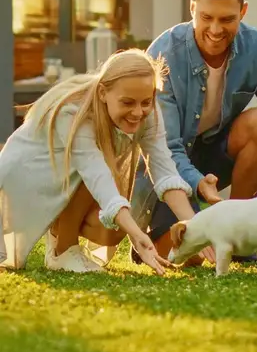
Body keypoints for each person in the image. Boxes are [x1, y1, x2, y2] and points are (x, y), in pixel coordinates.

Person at [132, 0, 257, 265]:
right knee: (190, 257)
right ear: (192, 6)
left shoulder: (256, 47)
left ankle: (239, 231)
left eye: (227, 19)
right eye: (206, 17)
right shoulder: (164, 52)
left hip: (216, 154)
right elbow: (166, 149)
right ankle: (175, 232)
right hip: (166, 167)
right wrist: (197, 183)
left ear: (244, 11)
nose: (215, 29)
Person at [0, 49, 197, 274]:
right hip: (25, 178)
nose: (138, 112)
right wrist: (137, 233)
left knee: (111, 231)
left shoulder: (146, 110)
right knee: (107, 193)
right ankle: (63, 250)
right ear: (103, 93)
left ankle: (58, 235)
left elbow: (164, 171)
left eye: (146, 101)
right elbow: (96, 175)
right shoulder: (74, 112)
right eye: (128, 102)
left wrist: (197, 228)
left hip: (67, 177)